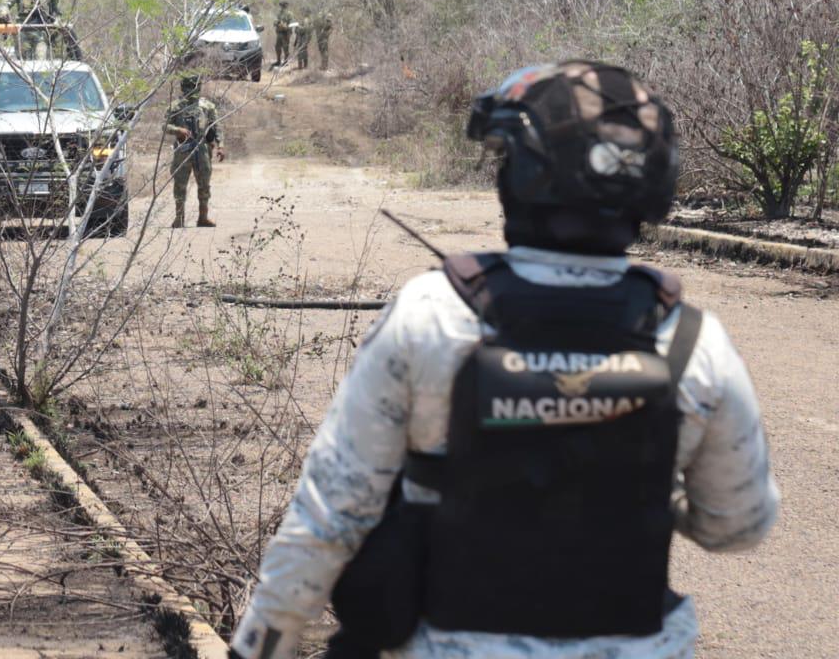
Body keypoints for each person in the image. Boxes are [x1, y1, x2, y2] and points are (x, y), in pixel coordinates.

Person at [229, 61, 778, 659]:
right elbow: (737, 525)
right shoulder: (693, 340)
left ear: (522, 177)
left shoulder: (432, 315)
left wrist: (259, 648)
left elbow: (330, 515)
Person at [164, 73, 226, 228]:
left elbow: (216, 126)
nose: (192, 90)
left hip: (202, 149)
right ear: (184, 88)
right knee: (180, 184)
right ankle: (179, 218)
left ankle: (203, 217)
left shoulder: (207, 106)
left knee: (204, 184)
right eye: (189, 87)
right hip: (182, 150)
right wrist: (179, 130)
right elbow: (165, 126)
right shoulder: (175, 107)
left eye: (194, 87)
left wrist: (220, 145)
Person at [272, 1, 299, 69]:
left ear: (286, 6)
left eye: (283, 6)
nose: (282, 7)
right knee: (277, 47)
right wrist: (277, 23)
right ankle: (278, 61)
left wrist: (285, 26)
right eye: (281, 6)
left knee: (285, 47)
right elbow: (275, 21)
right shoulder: (279, 13)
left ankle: (286, 61)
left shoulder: (289, 14)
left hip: (286, 33)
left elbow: (291, 23)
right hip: (279, 32)